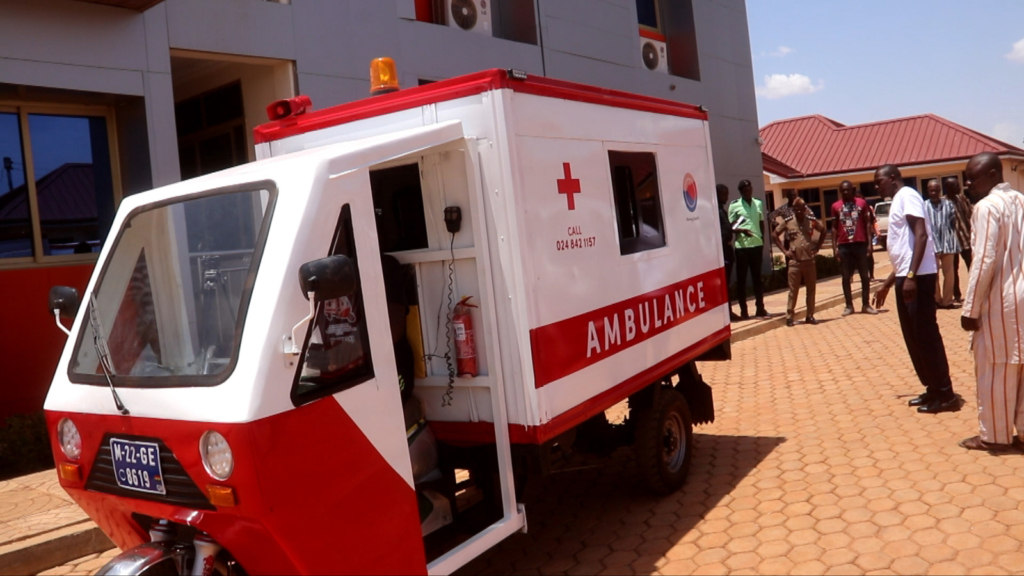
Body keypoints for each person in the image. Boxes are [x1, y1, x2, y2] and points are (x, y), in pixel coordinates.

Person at [872, 164, 959, 414]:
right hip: (908, 276)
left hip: (918, 277)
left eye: (879, 181)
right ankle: (932, 388)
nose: (877, 187)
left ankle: (945, 394)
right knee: (915, 338)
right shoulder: (900, 199)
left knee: (926, 337)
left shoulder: (907, 195)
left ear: (892, 178)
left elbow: (920, 236)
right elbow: (906, 248)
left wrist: (910, 277)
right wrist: (889, 284)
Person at [958, 152, 1024, 451]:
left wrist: (970, 309)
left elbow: (983, 260)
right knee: (1022, 367)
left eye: (973, 177)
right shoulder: (1022, 201)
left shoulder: (986, 207)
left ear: (994, 175)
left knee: (996, 368)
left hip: (1001, 300)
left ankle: (994, 436)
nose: (968, 183)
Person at [775, 198, 825, 326]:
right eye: (796, 209)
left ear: (804, 209)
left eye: (801, 208)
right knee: (793, 290)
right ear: (793, 209)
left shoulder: (810, 221)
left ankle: (810, 315)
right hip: (795, 262)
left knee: (811, 289)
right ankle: (790, 316)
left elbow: (823, 230)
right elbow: (775, 234)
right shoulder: (789, 222)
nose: (798, 211)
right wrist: (785, 252)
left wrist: (818, 247)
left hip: (809, 260)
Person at [832, 180, 878, 316]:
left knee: (865, 275)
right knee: (846, 277)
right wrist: (834, 247)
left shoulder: (862, 204)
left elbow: (867, 224)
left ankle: (866, 304)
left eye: (848, 190)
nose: (845, 192)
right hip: (844, 245)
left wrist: (869, 244)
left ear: (852, 189)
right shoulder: (835, 206)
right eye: (843, 190)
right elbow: (834, 228)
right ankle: (849, 305)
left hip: (860, 243)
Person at [728, 179, 770, 319]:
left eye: (749, 189)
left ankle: (760, 309)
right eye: (745, 190)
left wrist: (762, 239)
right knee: (742, 280)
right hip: (742, 248)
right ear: (741, 192)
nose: (748, 192)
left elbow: (761, 222)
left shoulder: (758, 203)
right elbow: (730, 227)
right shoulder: (734, 206)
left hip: (756, 246)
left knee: (757, 279)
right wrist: (741, 231)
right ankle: (744, 311)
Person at [924, 179, 960, 309]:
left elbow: (953, 222)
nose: (934, 193)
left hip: (948, 243)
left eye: (936, 190)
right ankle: (937, 300)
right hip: (931, 245)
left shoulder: (948, 204)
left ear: (940, 191)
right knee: (934, 275)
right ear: (927, 191)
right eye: (931, 190)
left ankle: (947, 301)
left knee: (949, 274)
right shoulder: (924, 206)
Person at [944, 176, 973, 303]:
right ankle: (956, 295)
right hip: (952, 242)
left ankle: (974, 293)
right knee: (953, 270)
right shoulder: (943, 203)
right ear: (949, 188)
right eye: (956, 185)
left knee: (972, 266)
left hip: (966, 239)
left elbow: (970, 215)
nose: (959, 187)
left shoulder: (962, 198)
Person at [718, 184, 741, 322]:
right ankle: (727, 312)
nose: (727, 196)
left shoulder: (722, 210)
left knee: (727, 283)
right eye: (725, 194)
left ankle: (728, 311)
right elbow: (723, 231)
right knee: (725, 284)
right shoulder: (717, 211)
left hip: (727, 250)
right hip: (723, 251)